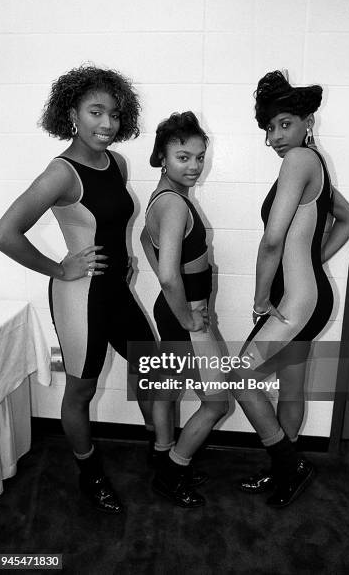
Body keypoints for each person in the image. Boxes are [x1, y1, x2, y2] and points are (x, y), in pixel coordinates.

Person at [0, 65, 157, 514]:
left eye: (115, 115)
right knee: (81, 391)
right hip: (79, 297)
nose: (107, 125)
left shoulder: (116, 162)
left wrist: (124, 261)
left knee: (152, 370)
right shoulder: (61, 173)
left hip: (115, 291)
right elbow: (3, 232)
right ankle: (91, 473)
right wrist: (58, 268)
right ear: (72, 113)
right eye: (96, 112)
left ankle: (162, 456)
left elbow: (108, 220)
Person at [232, 71, 349, 507]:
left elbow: (272, 240)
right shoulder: (315, 164)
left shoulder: (299, 162)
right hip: (310, 293)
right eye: (269, 128)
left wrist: (260, 298)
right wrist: (315, 261)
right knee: (290, 386)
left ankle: (289, 466)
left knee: (239, 377)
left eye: (284, 123)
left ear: (307, 121)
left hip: (296, 299)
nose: (274, 137)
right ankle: (283, 468)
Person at [141, 111, 229, 507]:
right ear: (162, 156)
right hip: (183, 311)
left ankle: (162, 454)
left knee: (168, 388)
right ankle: (172, 473)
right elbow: (169, 277)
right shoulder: (174, 205)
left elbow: (145, 238)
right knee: (215, 403)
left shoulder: (161, 199)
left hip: (171, 310)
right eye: (183, 157)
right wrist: (190, 317)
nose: (194, 165)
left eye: (199, 156)